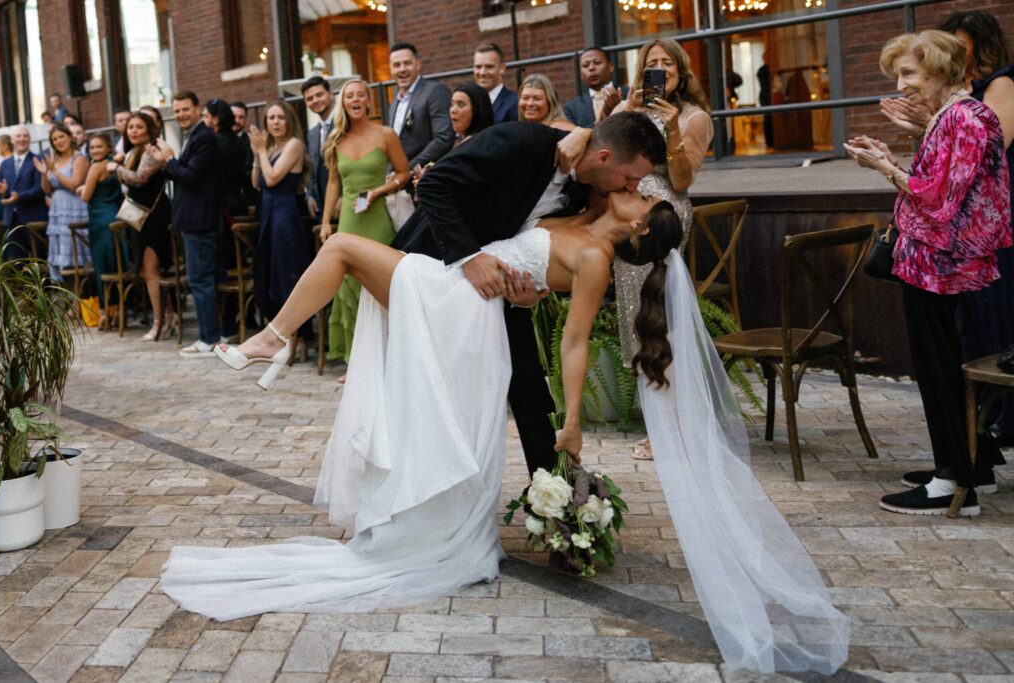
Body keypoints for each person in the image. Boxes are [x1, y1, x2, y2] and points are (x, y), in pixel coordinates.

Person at [167, 187, 850, 675]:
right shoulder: (577, 213)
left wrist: (574, 418)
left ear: (640, 229)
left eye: (647, 199)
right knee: (350, 262)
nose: (640, 191)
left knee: (345, 245)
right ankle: (278, 342)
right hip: (455, 294)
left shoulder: (594, 258)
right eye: (640, 186)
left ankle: (272, 338)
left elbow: (575, 342)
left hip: (465, 313)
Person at [393, 112, 664, 475]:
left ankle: (552, 488)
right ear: (604, 158)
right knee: (419, 386)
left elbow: (547, 249)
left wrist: (533, 291)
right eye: (631, 178)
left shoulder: (587, 194)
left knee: (528, 382)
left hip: (498, 291)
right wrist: (469, 257)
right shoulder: (521, 142)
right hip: (432, 264)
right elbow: (433, 185)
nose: (632, 187)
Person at [845, 30, 1011, 516]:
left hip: (942, 263)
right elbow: (936, 185)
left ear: (940, 70)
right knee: (946, 362)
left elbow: (938, 199)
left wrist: (883, 168)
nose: (902, 83)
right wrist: (897, 160)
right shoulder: (955, 116)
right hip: (938, 260)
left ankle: (953, 480)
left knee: (939, 367)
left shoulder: (965, 117)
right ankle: (970, 467)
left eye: (909, 73)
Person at [590, 37, 714, 460]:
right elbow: (600, 147)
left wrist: (674, 126)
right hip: (627, 213)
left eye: (667, 63)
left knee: (657, 316)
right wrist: (625, 107)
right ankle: (658, 418)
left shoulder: (694, 117)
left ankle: (674, 424)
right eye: (651, 63)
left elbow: (682, 181)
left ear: (681, 69)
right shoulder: (634, 110)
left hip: (660, 216)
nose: (660, 68)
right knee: (633, 312)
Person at [319, 81, 409, 382]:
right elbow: (333, 182)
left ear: (368, 101)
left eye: (360, 95)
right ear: (342, 103)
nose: (355, 100)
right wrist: (325, 222)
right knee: (349, 285)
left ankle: (391, 355)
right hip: (349, 218)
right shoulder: (336, 138)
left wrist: (379, 190)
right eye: (349, 96)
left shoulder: (386, 135)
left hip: (378, 216)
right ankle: (355, 361)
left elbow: (403, 173)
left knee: (382, 284)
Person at [150, 91, 221, 357]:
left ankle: (209, 337)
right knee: (200, 278)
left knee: (200, 279)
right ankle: (212, 333)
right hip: (191, 218)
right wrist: (166, 163)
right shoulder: (193, 136)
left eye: (185, 110)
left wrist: (169, 160)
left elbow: (190, 177)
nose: (180, 114)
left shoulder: (204, 137)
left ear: (196, 108)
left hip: (199, 219)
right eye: (177, 110)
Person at [248, 99, 315, 355]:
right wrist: (258, 154)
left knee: (289, 276)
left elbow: (274, 178)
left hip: (285, 216)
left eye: (280, 117)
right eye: (271, 118)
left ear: (289, 120)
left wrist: (262, 151)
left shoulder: (294, 145)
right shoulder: (271, 147)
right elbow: (257, 181)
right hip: (268, 215)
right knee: (268, 276)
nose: (275, 122)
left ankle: (301, 337)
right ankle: (281, 335)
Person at [110, 112, 174, 341]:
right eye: (131, 127)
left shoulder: (152, 150)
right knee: (148, 271)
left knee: (151, 271)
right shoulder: (133, 151)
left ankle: (158, 322)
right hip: (139, 214)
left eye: (139, 126)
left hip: (153, 216)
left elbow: (139, 178)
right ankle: (168, 315)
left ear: (149, 129)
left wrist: (115, 168)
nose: (134, 131)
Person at [204, 98, 251, 341]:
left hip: (224, 210)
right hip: (239, 205)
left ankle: (228, 325)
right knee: (237, 264)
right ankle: (238, 319)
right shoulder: (238, 142)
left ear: (215, 119)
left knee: (224, 268)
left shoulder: (217, 143)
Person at [80, 133, 126, 318]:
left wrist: (82, 188)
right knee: (117, 264)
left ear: (108, 147)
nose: (95, 150)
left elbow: (86, 196)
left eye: (99, 146)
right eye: (92, 147)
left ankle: (105, 312)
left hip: (100, 220)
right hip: (115, 215)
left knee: (102, 266)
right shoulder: (114, 165)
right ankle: (120, 310)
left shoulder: (96, 167)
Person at [36, 124, 90, 282]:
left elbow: (74, 185)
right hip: (57, 210)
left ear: (70, 137)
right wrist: (44, 174)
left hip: (74, 207)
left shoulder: (79, 158)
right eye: (55, 139)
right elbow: (47, 190)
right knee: (59, 253)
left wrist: (54, 170)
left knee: (74, 251)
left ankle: (80, 297)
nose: (59, 141)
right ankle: (66, 295)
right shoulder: (55, 160)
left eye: (61, 137)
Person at [387, 42, 454, 170]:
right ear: (390, 69)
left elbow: (443, 139)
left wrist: (407, 170)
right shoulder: (394, 104)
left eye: (407, 63)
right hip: (399, 181)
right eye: (396, 65)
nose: (402, 69)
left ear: (418, 64)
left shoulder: (435, 91)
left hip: (429, 176)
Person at [0, 126, 48, 259]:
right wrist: (2, 191)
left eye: (25, 136)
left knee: (39, 261)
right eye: (18, 136)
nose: (22, 139)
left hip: (33, 219)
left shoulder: (38, 159)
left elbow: (39, 188)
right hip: (11, 220)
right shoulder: (5, 164)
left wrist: (19, 196)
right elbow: (1, 189)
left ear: (29, 139)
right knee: (18, 262)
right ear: (12, 139)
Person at [563, 47, 626, 128]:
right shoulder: (572, 108)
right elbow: (573, 136)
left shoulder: (629, 94)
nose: (591, 68)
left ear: (611, 67)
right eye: (585, 65)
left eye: (597, 62)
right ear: (581, 74)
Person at [301, 76, 335, 220]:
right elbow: (311, 170)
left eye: (319, 95)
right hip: (321, 209)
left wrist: (343, 198)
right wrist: (309, 196)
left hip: (346, 204)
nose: (315, 100)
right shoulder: (312, 133)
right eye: (310, 98)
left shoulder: (345, 125)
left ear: (331, 94)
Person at [473, 42, 518, 124]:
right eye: (478, 67)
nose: (482, 72)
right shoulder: (471, 104)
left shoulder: (515, 103)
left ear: (502, 68)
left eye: (489, 67)